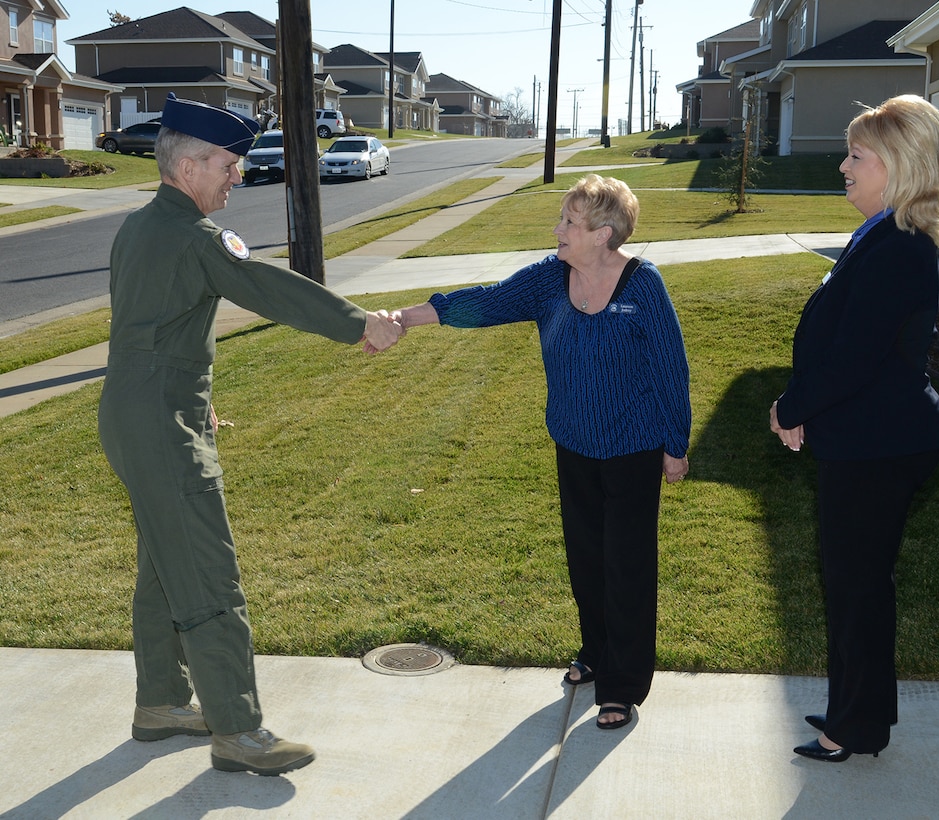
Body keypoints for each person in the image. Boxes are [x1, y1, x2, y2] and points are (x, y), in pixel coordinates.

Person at [98, 93, 402, 776]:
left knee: (163, 565)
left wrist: (188, 399)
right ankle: (238, 729)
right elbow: (265, 287)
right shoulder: (195, 236)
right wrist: (360, 324)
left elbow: (153, 328)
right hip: (159, 426)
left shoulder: (140, 225)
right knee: (207, 571)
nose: (239, 174)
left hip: (133, 411)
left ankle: (163, 702)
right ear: (191, 164)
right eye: (230, 165)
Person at [391, 174, 691, 730]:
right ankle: (596, 652)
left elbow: (672, 368)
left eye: (569, 223)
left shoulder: (643, 285)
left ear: (603, 234)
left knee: (626, 565)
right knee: (586, 557)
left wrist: (676, 445)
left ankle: (622, 685)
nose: (558, 230)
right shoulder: (549, 281)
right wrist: (407, 318)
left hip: (634, 449)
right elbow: (484, 303)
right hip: (573, 444)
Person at [770, 95, 939, 762]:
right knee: (857, 585)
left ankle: (850, 726)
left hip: (879, 446)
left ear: (897, 165)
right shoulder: (884, 236)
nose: (843, 166)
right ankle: (862, 715)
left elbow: (856, 355)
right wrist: (808, 407)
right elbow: (848, 348)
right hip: (868, 439)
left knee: (856, 588)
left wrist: (791, 408)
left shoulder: (899, 247)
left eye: (857, 155)